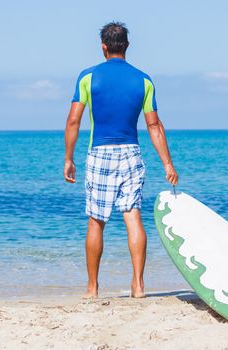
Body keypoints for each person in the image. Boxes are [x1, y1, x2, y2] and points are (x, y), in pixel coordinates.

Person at [63, 21, 178, 299]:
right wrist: (167, 164)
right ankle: (138, 286)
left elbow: (73, 121)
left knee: (95, 222)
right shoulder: (143, 80)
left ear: (103, 47)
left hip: (100, 153)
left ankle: (92, 289)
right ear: (126, 46)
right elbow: (154, 126)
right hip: (131, 152)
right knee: (133, 216)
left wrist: (69, 158)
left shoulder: (88, 77)